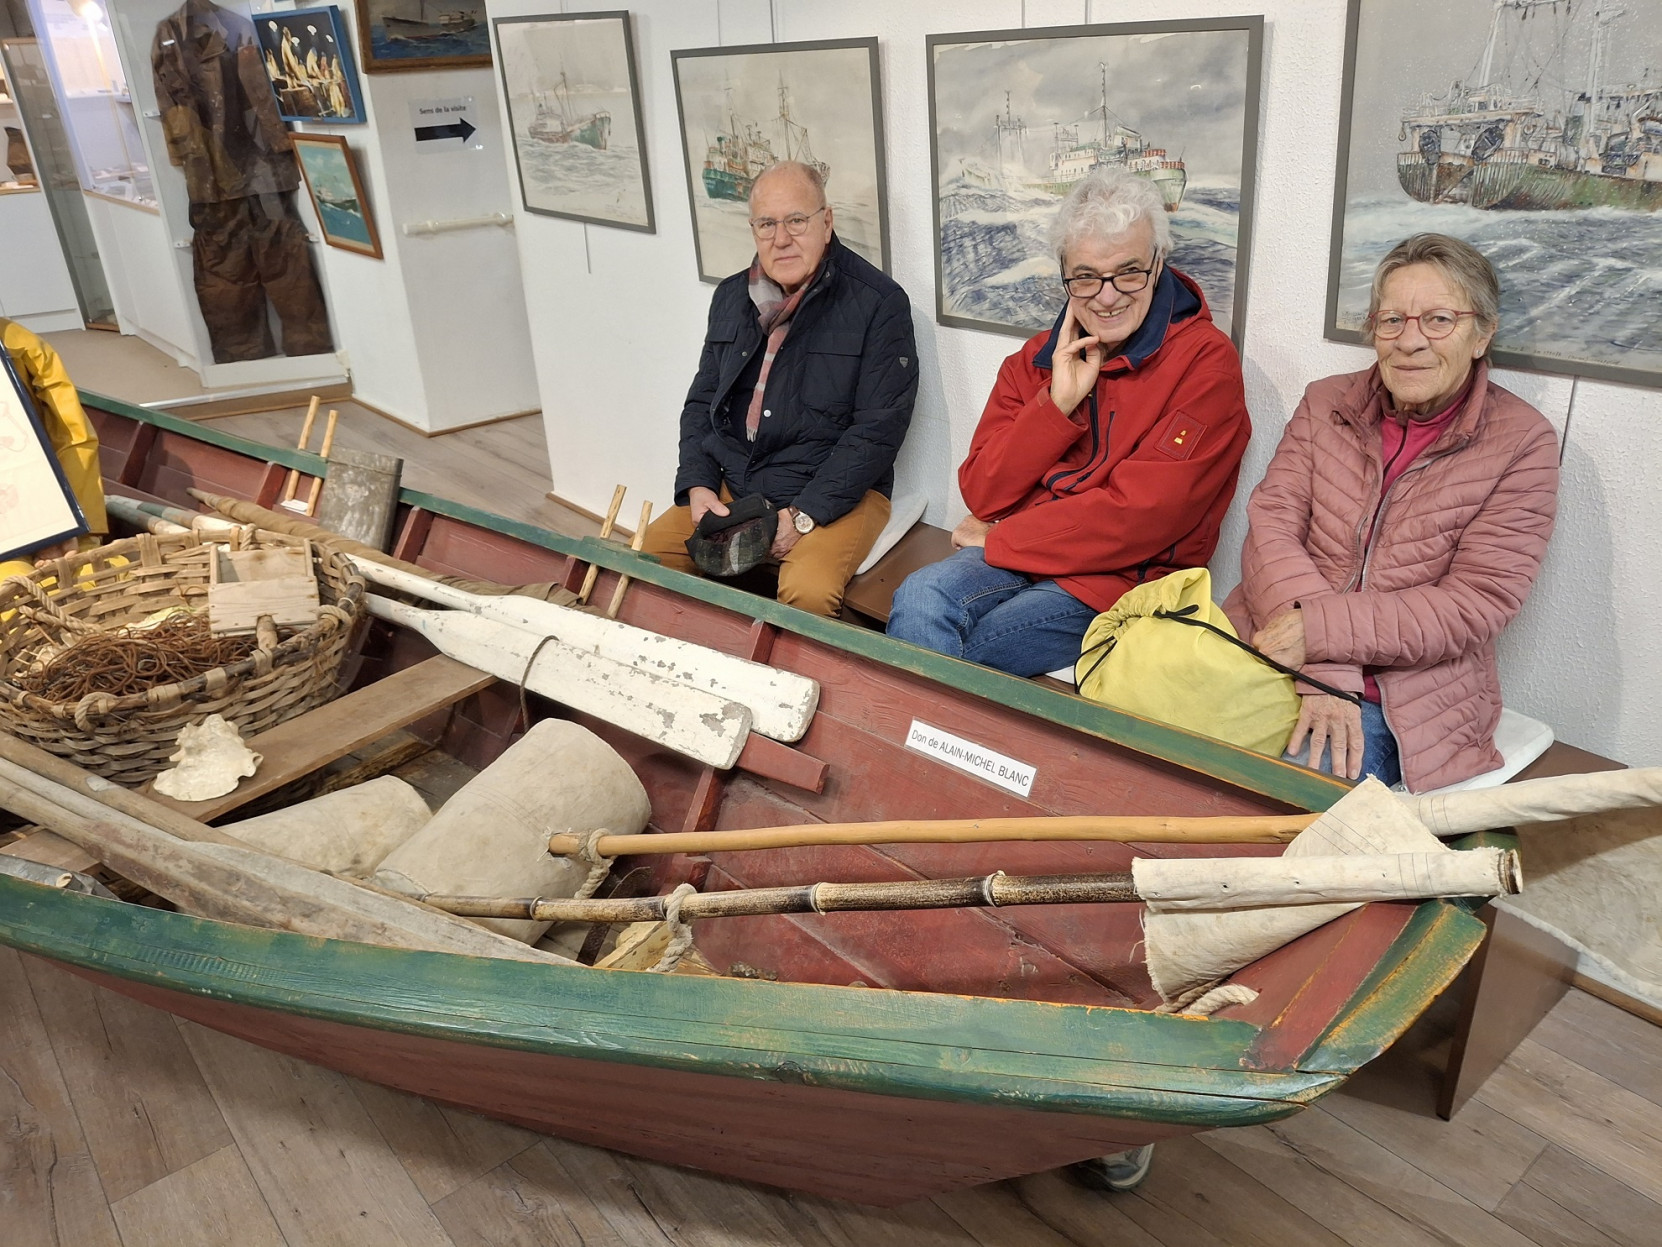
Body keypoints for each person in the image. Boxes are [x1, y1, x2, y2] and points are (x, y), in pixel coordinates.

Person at [1223, 233, 1559, 792]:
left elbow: (1475, 603)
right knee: (1147, 748)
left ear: (1482, 334)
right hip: (1271, 647)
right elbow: (1271, 529)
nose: (1410, 341)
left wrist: (1321, 632)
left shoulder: (1523, 442)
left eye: (1439, 320)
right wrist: (1325, 667)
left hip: (1401, 698)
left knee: (1276, 800)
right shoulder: (1325, 402)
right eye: (1393, 320)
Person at [886, 166, 1250, 675]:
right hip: (1023, 553)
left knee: (973, 653)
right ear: (1064, 273)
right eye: (1086, 276)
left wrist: (1005, 539)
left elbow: (1140, 519)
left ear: (1158, 263)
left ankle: (914, 726)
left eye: (1128, 272)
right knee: (919, 597)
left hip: (1120, 577)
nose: (1107, 296)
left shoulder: (1205, 363)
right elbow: (983, 492)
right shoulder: (1036, 358)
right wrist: (1054, 407)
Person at [639, 161, 918, 617]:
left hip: (836, 494)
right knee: (650, 559)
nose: (781, 238)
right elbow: (702, 404)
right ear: (753, 229)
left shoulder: (879, 303)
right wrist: (698, 484)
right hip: (739, 482)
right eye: (767, 224)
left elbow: (878, 431)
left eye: (796, 220)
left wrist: (803, 514)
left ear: (827, 222)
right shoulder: (731, 297)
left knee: (808, 592)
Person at [1, 317, 108, 576]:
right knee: (13, 585)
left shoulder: (20, 344)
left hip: (45, 505)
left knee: (93, 574)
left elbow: (72, 436)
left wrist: (67, 525)